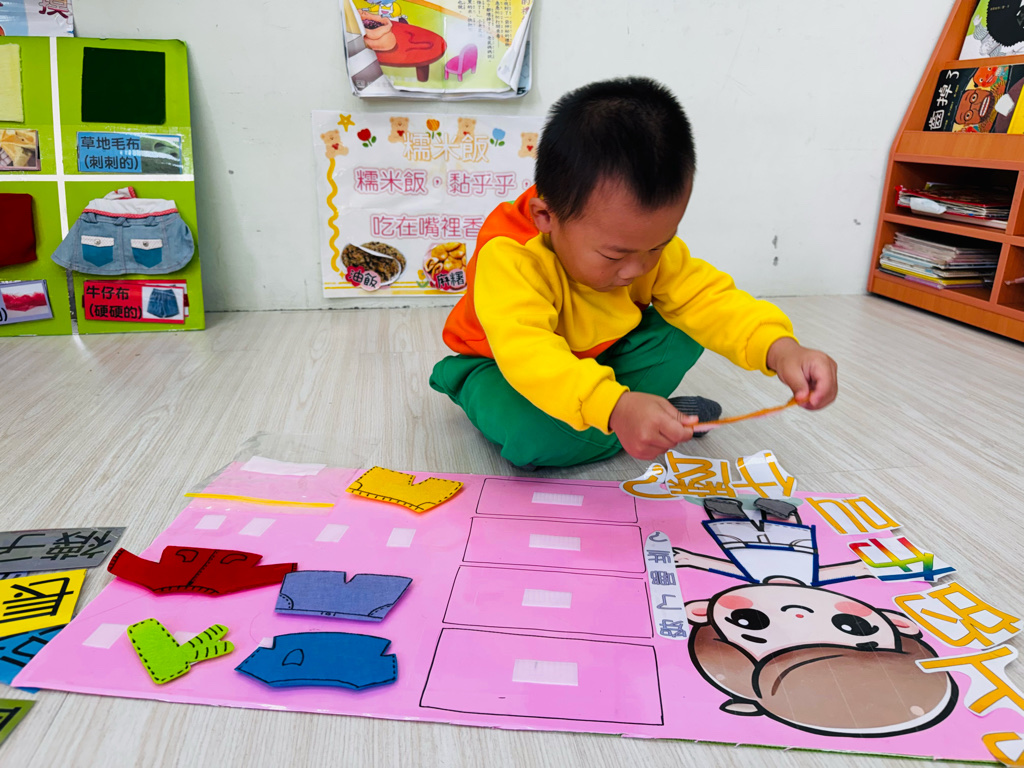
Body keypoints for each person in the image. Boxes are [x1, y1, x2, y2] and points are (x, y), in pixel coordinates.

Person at [430, 77, 838, 468]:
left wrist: (781, 349)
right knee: (530, 437)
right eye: (615, 255)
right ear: (546, 217)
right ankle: (639, 418)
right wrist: (615, 407)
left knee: (688, 327)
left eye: (658, 245)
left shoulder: (638, 246)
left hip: (600, 356)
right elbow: (528, 354)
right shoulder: (510, 256)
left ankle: (634, 418)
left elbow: (708, 299)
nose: (638, 268)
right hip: (503, 368)